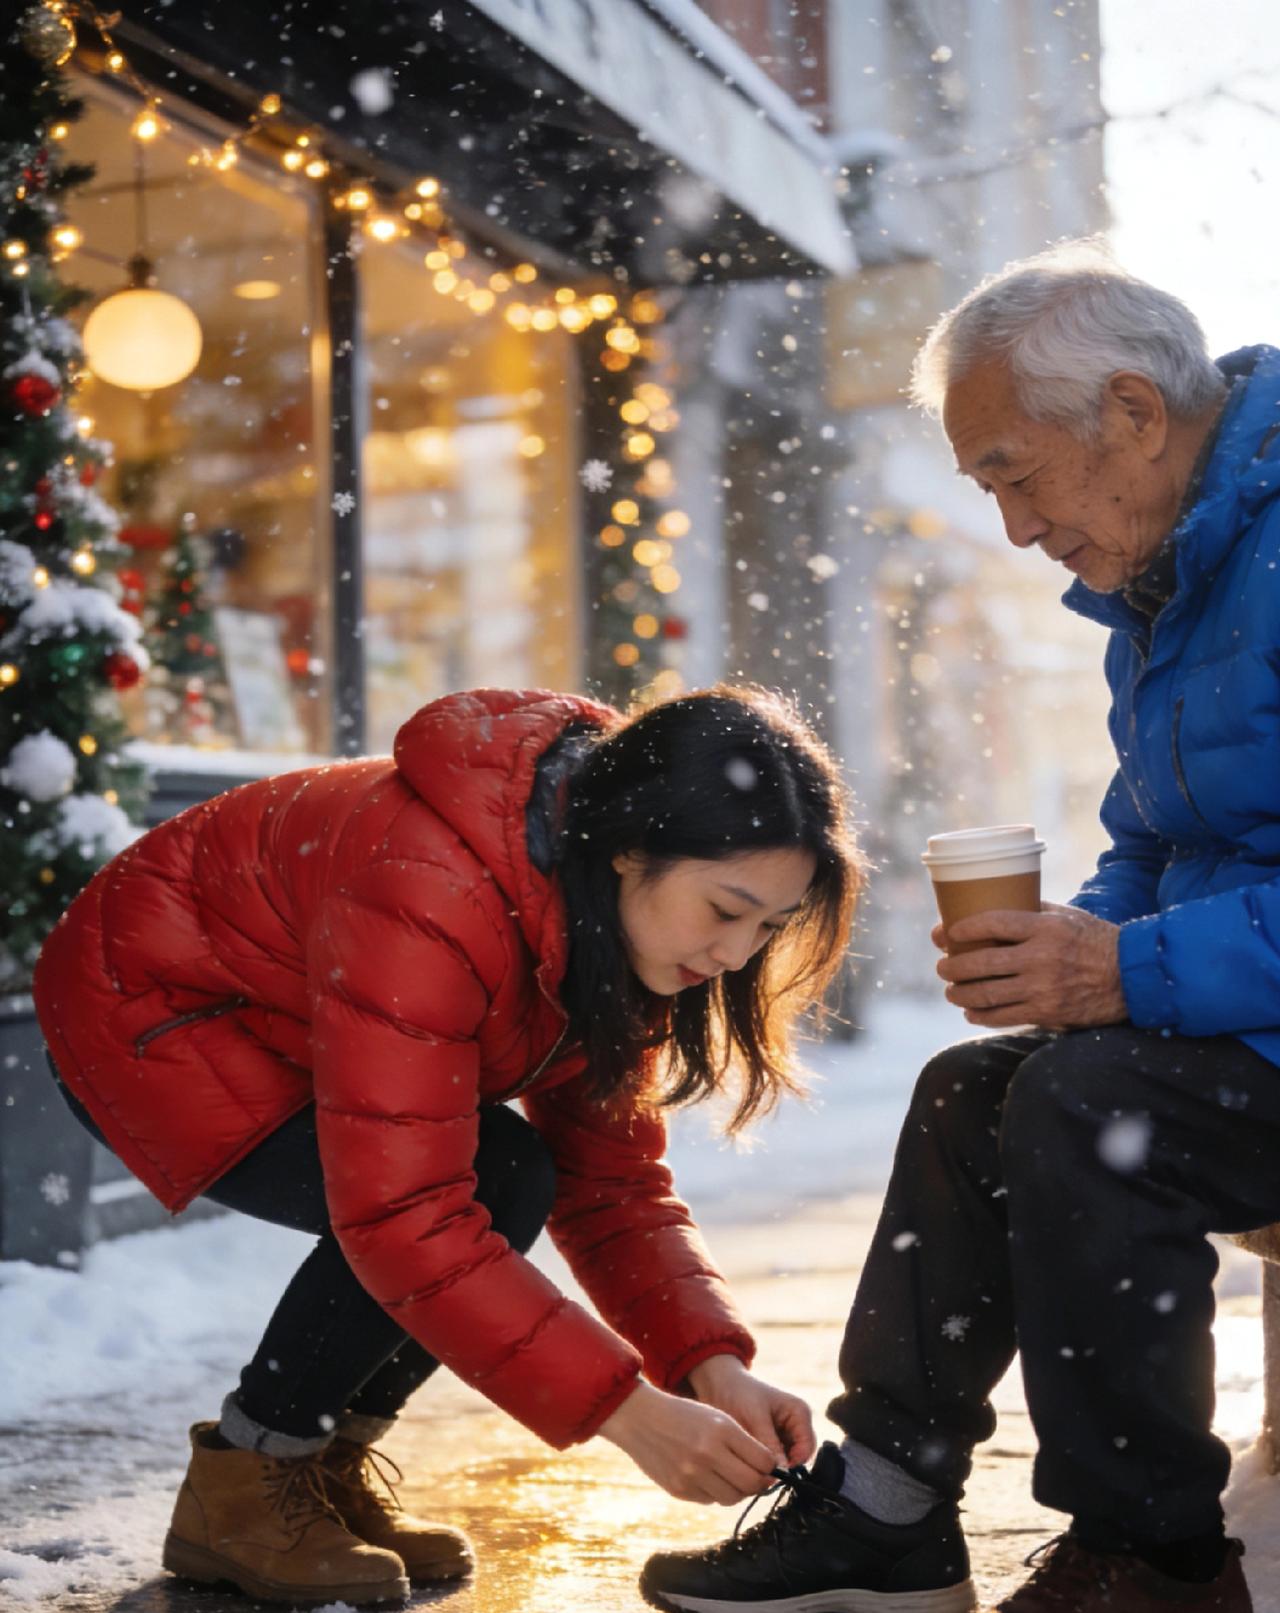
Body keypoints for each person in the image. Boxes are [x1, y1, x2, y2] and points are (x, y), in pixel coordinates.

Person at [640, 242, 1280, 1613]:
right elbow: (1158, 841)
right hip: (1251, 1031)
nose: (1013, 526)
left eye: (1013, 472)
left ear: (1130, 412)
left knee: (1082, 1108)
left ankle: (1155, 1559)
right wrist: (1076, 947)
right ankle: (887, 1508)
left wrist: (1131, 969)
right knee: (971, 1097)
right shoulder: (1168, 586)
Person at [35, 682, 862, 1608]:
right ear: (631, 849)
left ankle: (321, 1466)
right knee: (463, 1186)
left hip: (296, 1019)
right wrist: (630, 1415)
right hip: (156, 1012)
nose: (740, 954)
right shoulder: (433, 886)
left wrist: (713, 1366)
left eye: (770, 927)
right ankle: (246, 1484)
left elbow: (614, 1184)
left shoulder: (611, 919)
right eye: (726, 909)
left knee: (514, 1174)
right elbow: (402, 1214)